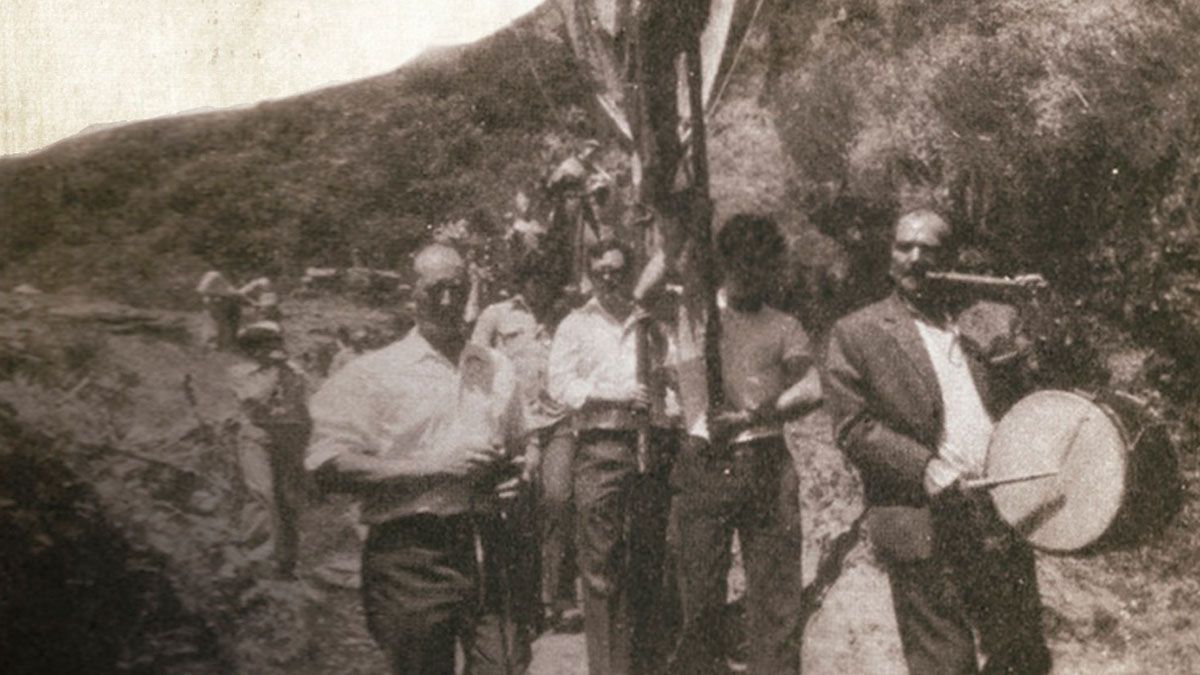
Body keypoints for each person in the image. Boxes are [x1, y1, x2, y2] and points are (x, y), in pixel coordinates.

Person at [822, 209, 1052, 674]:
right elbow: (853, 427)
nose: (916, 259)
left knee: (1022, 656)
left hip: (997, 513)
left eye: (930, 250)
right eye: (905, 247)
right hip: (922, 521)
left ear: (951, 259)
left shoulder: (986, 321)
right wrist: (924, 467)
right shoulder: (857, 333)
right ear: (890, 256)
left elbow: (1034, 398)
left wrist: (1040, 318)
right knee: (944, 664)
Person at [306, 243, 533, 675]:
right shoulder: (374, 373)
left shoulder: (496, 367)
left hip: (486, 545)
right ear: (412, 294)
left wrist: (517, 477)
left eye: (457, 289)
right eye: (435, 290)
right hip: (409, 554)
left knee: (506, 665)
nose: (448, 301)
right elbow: (327, 465)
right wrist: (433, 467)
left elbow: (519, 449)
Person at [667, 214, 822, 675]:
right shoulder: (694, 314)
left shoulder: (784, 326)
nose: (751, 275)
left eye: (762, 265)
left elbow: (812, 387)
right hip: (703, 462)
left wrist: (754, 415)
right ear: (724, 263)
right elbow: (653, 279)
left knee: (776, 600)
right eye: (741, 264)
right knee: (699, 598)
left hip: (765, 461)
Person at [548, 239, 680, 675]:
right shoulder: (575, 324)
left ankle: (643, 664)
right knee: (602, 565)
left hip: (649, 447)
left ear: (629, 273)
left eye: (618, 270)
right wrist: (615, 395)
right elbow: (561, 387)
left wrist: (667, 401)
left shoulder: (649, 324)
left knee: (646, 559)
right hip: (600, 447)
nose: (610, 278)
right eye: (601, 270)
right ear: (591, 273)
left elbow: (675, 376)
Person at [471, 252, 581, 632]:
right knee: (518, 511)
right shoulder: (495, 316)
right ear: (523, 280)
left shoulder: (567, 317)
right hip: (514, 426)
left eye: (548, 281)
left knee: (559, 500)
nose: (540, 288)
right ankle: (522, 603)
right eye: (534, 279)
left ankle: (558, 597)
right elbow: (474, 368)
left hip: (557, 422)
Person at [228, 320, 310, 578]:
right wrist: (275, 372)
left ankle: (286, 563)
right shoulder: (241, 373)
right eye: (268, 345)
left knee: (289, 499)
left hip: (289, 436)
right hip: (257, 435)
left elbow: (301, 405)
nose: (276, 350)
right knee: (262, 493)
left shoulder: (293, 371)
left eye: (277, 343)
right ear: (254, 349)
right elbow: (256, 401)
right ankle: (257, 559)